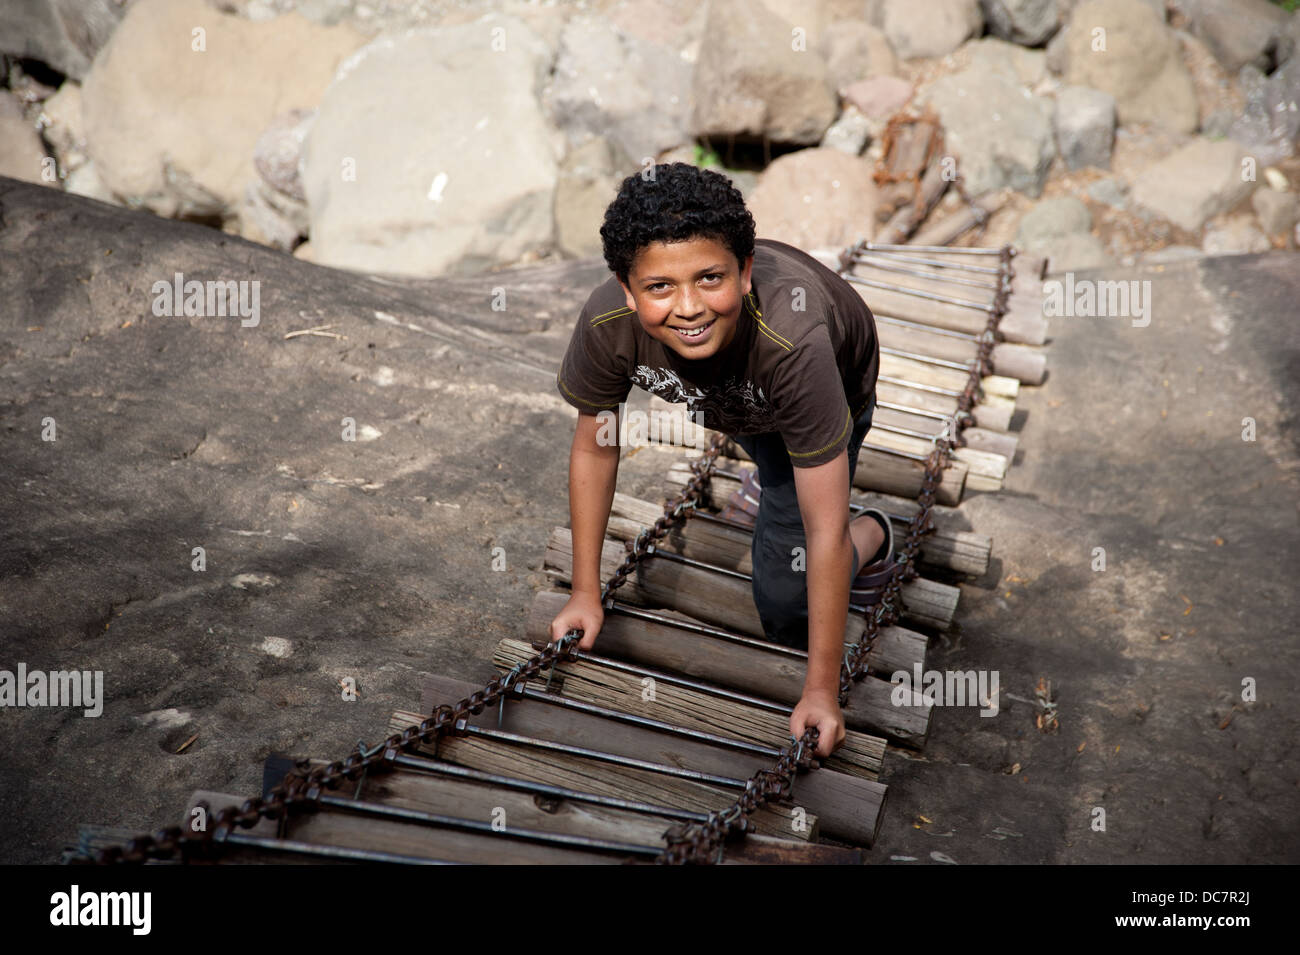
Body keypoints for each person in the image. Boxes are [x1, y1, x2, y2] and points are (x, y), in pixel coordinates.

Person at [548, 162, 894, 758]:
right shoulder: (609, 324)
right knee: (754, 435)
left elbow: (823, 532)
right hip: (737, 405)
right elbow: (594, 446)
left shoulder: (793, 346)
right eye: (659, 288)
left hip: (821, 396)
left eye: (711, 278)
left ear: (746, 270)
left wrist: (820, 691)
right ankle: (771, 477)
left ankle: (877, 532)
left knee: (787, 608)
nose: (688, 307)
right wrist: (585, 591)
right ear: (627, 290)